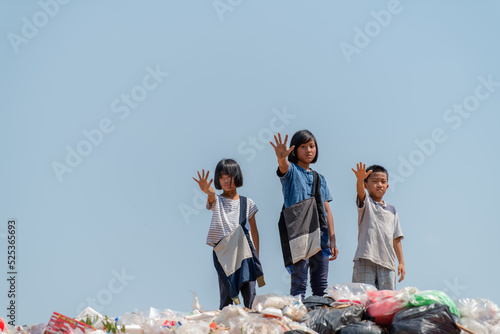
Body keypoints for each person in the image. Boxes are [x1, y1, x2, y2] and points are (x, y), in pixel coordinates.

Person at [270, 130, 338, 298]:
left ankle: (318, 320)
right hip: (298, 234)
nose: (308, 150)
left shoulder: (320, 178)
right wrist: (281, 158)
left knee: (320, 285)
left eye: (312, 146)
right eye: (303, 146)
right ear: (294, 150)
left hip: (319, 235)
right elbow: (283, 166)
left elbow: (327, 210)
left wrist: (332, 239)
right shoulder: (291, 172)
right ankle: (298, 317)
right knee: (299, 283)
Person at [193, 159, 262, 309]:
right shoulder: (218, 201)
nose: (227, 181)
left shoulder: (247, 202)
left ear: (237, 177)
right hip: (226, 256)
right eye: (222, 177)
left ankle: (250, 326)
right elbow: (212, 195)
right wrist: (207, 190)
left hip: (246, 254)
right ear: (218, 180)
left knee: (250, 295)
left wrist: (256, 256)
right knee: (227, 296)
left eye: (230, 176)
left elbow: (254, 230)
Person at [351, 162, 405, 290]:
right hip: (366, 258)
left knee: (386, 302)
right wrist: (359, 180)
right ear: (366, 185)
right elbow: (360, 194)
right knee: (364, 298)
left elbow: (396, 238)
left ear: (387, 186)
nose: (379, 184)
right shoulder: (366, 203)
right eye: (375, 181)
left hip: (388, 263)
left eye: (382, 181)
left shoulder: (392, 210)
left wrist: (401, 262)